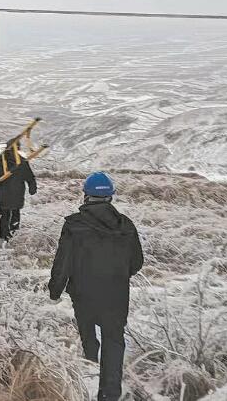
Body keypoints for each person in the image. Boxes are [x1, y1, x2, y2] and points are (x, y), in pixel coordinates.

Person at [48, 172, 143, 401]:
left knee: (88, 336)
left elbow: (64, 261)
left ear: (86, 196)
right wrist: (119, 275)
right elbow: (137, 262)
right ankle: (110, 394)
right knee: (114, 340)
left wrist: (55, 290)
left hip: (84, 294)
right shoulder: (126, 225)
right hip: (116, 295)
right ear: (110, 197)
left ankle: (89, 373)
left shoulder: (74, 225)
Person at [0, 139, 37, 243]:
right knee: (15, 213)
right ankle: (14, 234)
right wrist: (32, 189)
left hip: (3, 194)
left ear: (7, 148)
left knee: (4, 215)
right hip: (17, 194)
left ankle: (4, 237)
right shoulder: (22, 162)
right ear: (18, 148)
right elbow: (30, 178)